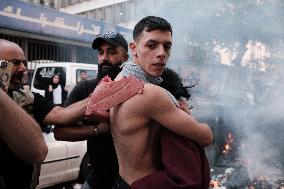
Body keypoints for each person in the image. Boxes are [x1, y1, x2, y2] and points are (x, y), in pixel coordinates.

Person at [106, 16, 213, 188]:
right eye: (152, 45)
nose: (161, 52)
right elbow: (206, 137)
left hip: (124, 181)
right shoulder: (149, 94)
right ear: (134, 48)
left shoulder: (120, 82)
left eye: (167, 46)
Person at [0, 39, 90, 189]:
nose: (23, 69)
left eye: (24, 63)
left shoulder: (27, 98)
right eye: (15, 62)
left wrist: (98, 96)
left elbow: (62, 115)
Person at [53, 32, 129, 189]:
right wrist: (97, 130)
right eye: (101, 52)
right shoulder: (84, 88)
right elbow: (59, 132)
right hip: (97, 178)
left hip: (131, 179)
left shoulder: (136, 89)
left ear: (125, 58)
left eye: (112, 52)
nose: (104, 58)